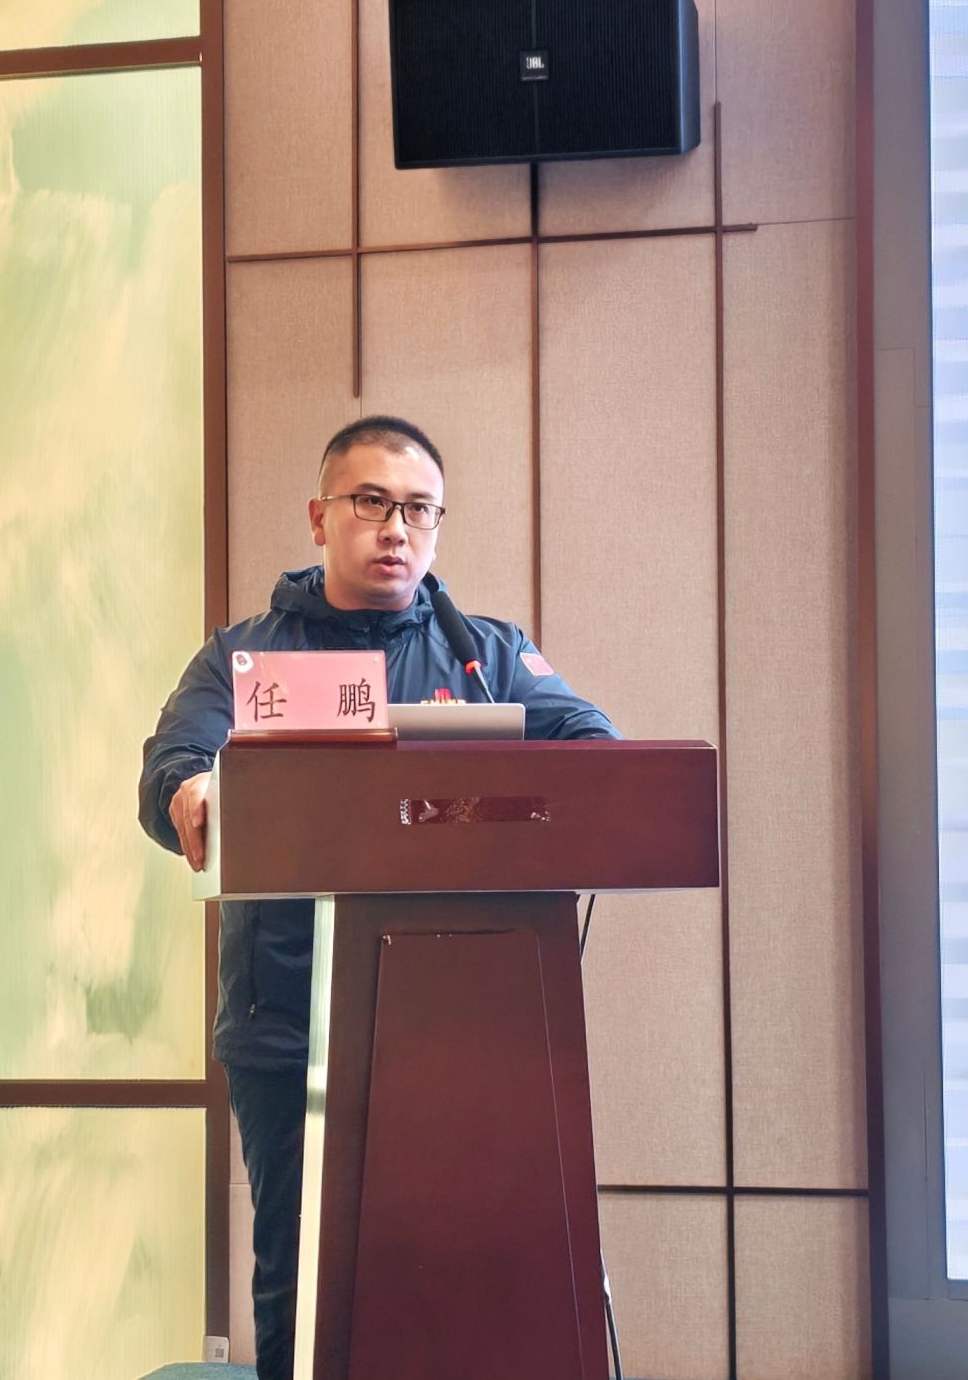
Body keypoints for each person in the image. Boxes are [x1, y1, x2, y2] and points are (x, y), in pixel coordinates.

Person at [138, 415, 617, 1380]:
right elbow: (173, 767)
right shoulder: (244, 656)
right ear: (321, 518)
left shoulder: (485, 655)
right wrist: (191, 787)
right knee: (301, 1277)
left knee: (455, 1273)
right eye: (372, 502)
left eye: (420, 509)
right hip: (287, 1026)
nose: (397, 528)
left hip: (459, 1025)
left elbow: (594, 751)